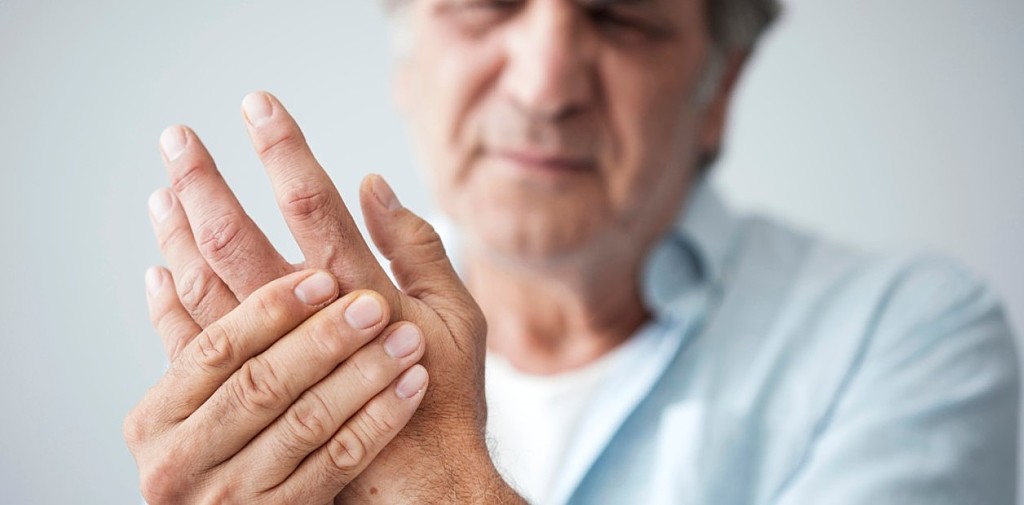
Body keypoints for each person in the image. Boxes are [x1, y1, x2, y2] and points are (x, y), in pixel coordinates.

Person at [123, 0, 1020, 503]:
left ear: (720, 88)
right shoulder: (289, 357)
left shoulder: (909, 335)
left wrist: (436, 481)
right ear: (407, 60)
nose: (545, 84)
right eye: (487, 6)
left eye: (622, 16)